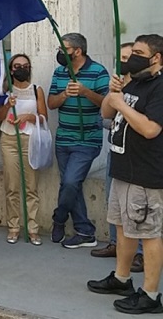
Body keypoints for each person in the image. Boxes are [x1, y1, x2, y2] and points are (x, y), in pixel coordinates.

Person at [87, 34, 163, 315]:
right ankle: (122, 278)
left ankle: (151, 294)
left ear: (156, 57)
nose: (132, 59)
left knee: (149, 233)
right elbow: (108, 113)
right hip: (123, 169)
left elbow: (151, 129)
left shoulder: (159, 86)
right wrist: (113, 94)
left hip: (145, 174)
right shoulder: (137, 82)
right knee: (123, 228)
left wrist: (122, 105)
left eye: (139, 53)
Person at [48, 32, 109, 248]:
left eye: (63, 49)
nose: (59, 53)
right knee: (70, 185)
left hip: (88, 139)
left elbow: (108, 104)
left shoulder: (98, 71)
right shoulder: (59, 72)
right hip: (64, 138)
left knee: (71, 182)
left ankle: (59, 218)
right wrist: (64, 95)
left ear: (77, 51)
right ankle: (84, 231)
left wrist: (85, 92)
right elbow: (51, 103)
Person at [92, 43, 145, 273]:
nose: (124, 61)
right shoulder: (116, 85)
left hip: (138, 158)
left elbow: (146, 124)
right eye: (120, 57)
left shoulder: (145, 88)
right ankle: (115, 244)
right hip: (116, 151)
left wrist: (123, 118)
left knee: (136, 209)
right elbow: (103, 117)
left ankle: (140, 254)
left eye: (128, 57)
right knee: (112, 203)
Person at [0, 54, 47, 245]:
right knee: (12, 186)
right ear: (11, 69)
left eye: (25, 65)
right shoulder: (4, 92)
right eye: (17, 66)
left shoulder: (36, 90)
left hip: (30, 140)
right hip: (9, 140)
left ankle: (33, 228)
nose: (21, 69)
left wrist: (30, 118)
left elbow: (44, 117)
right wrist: (8, 104)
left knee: (31, 186)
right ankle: (14, 226)